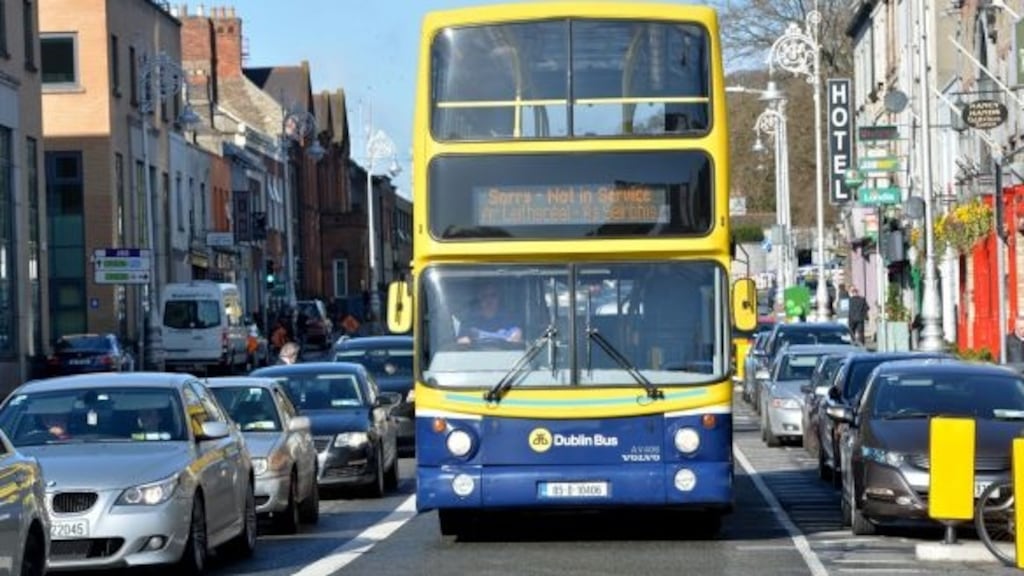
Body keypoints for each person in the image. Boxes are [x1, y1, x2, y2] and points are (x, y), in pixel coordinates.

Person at [457, 283, 523, 344]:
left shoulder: (510, 321)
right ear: (479, 299)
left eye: (493, 295)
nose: (489, 299)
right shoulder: (469, 322)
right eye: (484, 296)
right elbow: (463, 343)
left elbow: (516, 340)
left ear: (499, 298)